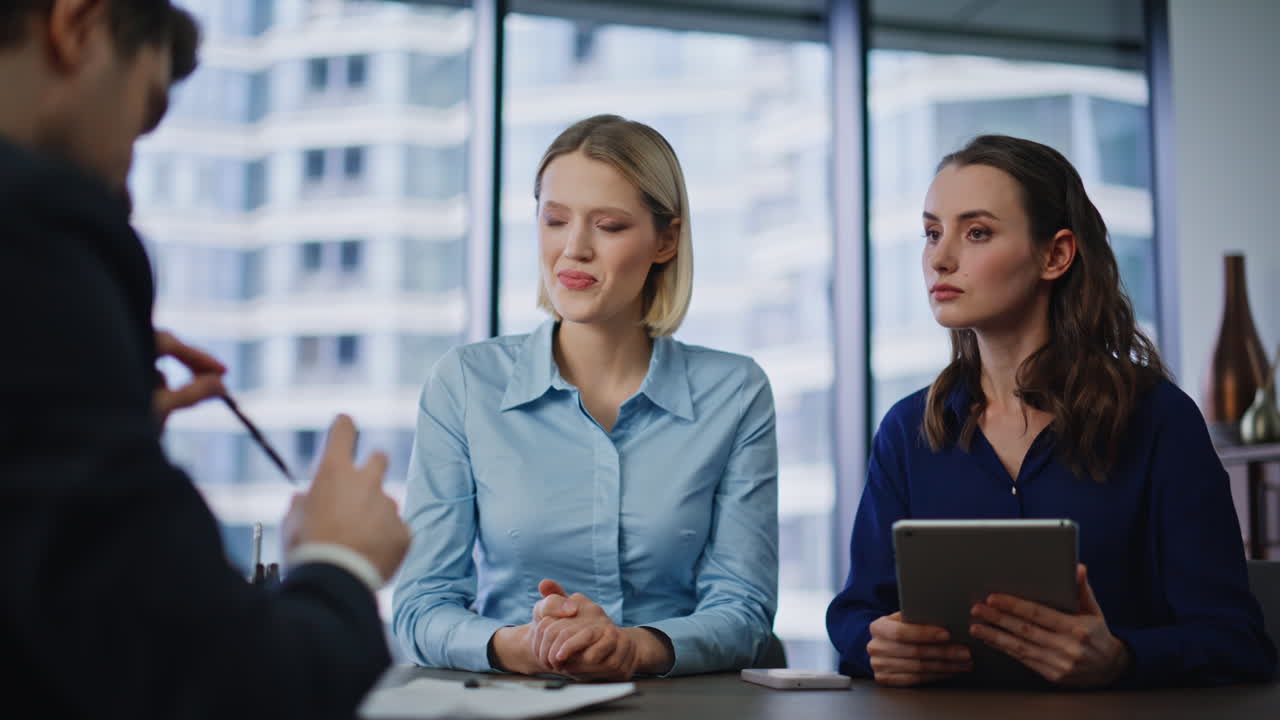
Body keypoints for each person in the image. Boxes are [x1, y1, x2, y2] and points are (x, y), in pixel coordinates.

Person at [0, 2, 410, 717]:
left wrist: (94, 422)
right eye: (143, 116)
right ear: (78, 25)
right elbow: (226, 687)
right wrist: (340, 560)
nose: (127, 183)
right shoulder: (31, 238)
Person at [826, 134, 1278, 689]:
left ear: (1056, 255)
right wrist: (876, 644)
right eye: (933, 233)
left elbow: (1237, 642)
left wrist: (1122, 657)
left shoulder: (1160, 419)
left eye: (977, 232)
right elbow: (856, 615)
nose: (940, 259)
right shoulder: (908, 429)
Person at [393, 114, 779, 681]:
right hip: (512, 701)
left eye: (609, 226)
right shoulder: (465, 384)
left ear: (666, 239)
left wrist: (635, 648)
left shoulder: (736, 393)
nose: (573, 249)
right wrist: (520, 645)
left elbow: (745, 610)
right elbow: (420, 606)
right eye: (554, 220)